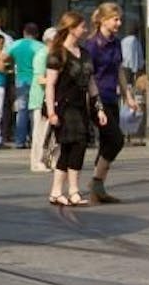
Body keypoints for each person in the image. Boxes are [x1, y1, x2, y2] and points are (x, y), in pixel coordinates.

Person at [44, 11, 103, 206]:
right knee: (74, 145)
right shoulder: (57, 53)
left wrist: (99, 108)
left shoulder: (85, 53)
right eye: (81, 26)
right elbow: (50, 84)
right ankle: (72, 190)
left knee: (74, 147)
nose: (85, 30)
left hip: (81, 106)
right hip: (64, 106)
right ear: (71, 28)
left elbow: (91, 82)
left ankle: (57, 192)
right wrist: (51, 111)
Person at [83, 2, 135, 203]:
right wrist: (92, 100)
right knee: (115, 139)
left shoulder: (116, 42)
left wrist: (127, 95)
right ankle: (96, 181)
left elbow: (119, 70)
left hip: (111, 97)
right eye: (115, 19)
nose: (119, 23)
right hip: (97, 98)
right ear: (103, 20)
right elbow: (90, 75)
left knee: (107, 142)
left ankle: (99, 188)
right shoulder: (92, 45)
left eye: (120, 19)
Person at [8, 23, 44, 151]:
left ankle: (20, 140)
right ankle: (36, 139)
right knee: (35, 111)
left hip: (20, 81)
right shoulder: (40, 47)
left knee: (21, 111)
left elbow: (4, 58)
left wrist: (11, 65)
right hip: (36, 81)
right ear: (37, 34)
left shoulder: (15, 44)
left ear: (24, 32)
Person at [29, 26, 55, 172]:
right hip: (40, 98)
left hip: (50, 98)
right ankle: (37, 161)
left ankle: (48, 159)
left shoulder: (52, 55)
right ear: (50, 41)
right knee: (40, 132)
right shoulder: (42, 55)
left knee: (49, 133)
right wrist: (55, 81)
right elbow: (40, 78)